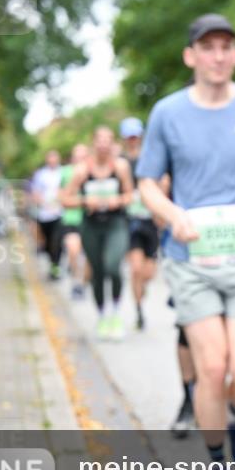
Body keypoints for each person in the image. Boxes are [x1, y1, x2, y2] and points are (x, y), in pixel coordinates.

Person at [136, 13, 235, 470]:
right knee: (211, 365)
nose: (218, 55)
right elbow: (146, 183)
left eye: (226, 46)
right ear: (191, 56)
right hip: (190, 260)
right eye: (208, 47)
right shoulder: (167, 113)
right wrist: (171, 213)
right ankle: (217, 464)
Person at [62, 126, 134, 340]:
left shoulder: (120, 167)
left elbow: (130, 195)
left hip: (116, 224)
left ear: (112, 144)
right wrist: (85, 201)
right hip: (91, 226)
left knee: (113, 266)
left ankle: (117, 314)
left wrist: (118, 201)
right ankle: (102, 316)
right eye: (99, 140)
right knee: (98, 272)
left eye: (107, 140)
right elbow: (66, 199)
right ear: (93, 143)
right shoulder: (82, 170)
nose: (103, 144)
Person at [120, 117, 159, 330]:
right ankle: (139, 312)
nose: (133, 139)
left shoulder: (152, 157)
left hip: (151, 220)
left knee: (148, 273)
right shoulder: (120, 161)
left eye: (135, 135)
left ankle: (142, 290)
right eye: (129, 136)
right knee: (135, 269)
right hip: (131, 220)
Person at [60, 144, 89, 299]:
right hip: (71, 219)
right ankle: (75, 281)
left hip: (90, 221)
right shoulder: (65, 172)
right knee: (73, 250)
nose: (80, 159)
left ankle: (82, 284)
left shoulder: (93, 172)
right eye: (78, 156)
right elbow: (61, 196)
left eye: (84, 156)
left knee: (89, 258)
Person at [30, 151, 65, 280]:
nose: (52, 160)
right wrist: (44, 204)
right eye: (50, 158)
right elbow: (36, 193)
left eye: (55, 158)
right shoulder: (41, 174)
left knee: (57, 241)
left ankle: (56, 267)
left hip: (59, 214)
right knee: (48, 242)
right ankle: (52, 263)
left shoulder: (63, 172)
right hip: (44, 215)